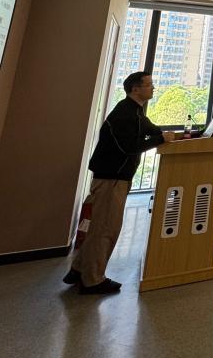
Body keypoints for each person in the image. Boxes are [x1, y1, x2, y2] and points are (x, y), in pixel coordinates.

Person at [63, 71, 174, 294]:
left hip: (113, 177)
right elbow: (129, 146)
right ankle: (93, 280)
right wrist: (161, 139)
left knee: (99, 227)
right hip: (111, 179)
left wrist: (167, 134)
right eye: (149, 85)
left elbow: (149, 128)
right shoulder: (125, 114)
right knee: (106, 229)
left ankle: (79, 269)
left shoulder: (134, 111)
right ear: (135, 89)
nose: (153, 88)